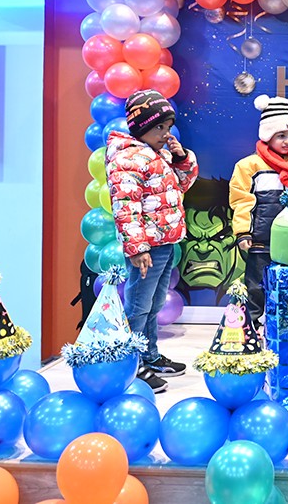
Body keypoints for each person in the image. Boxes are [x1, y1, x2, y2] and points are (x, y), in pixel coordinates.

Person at [106, 88, 199, 393]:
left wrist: (181, 158)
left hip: (165, 243)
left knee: (155, 303)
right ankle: (131, 365)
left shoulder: (158, 155)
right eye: (159, 127)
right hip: (147, 247)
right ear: (141, 126)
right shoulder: (128, 158)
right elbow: (125, 205)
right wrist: (137, 248)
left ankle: (149, 355)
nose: (165, 133)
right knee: (138, 305)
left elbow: (181, 185)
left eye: (168, 127)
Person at [229, 95, 288, 336]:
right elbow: (241, 200)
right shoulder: (249, 166)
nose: (287, 142)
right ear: (267, 135)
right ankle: (250, 328)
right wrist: (243, 232)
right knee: (255, 286)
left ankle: (286, 328)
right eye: (281, 136)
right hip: (261, 240)